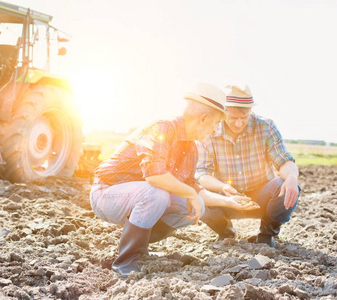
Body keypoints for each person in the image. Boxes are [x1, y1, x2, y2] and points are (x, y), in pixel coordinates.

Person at [90, 83, 257, 276]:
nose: (214, 130)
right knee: (157, 194)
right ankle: (126, 261)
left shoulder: (191, 148)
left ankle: (141, 248)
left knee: (197, 205)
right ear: (203, 119)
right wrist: (188, 193)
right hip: (106, 194)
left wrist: (228, 201)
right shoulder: (162, 128)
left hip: (138, 198)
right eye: (215, 124)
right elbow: (154, 175)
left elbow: (191, 188)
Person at [195, 85, 300, 248]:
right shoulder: (210, 131)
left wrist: (292, 177)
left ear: (250, 110)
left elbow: (283, 160)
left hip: (261, 196)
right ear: (224, 112)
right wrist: (223, 187)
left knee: (285, 185)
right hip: (227, 197)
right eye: (233, 117)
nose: (238, 124)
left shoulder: (266, 127)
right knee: (197, 194)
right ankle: (225, 232)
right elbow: (202, 173)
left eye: (243, 117)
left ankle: (267, 234)